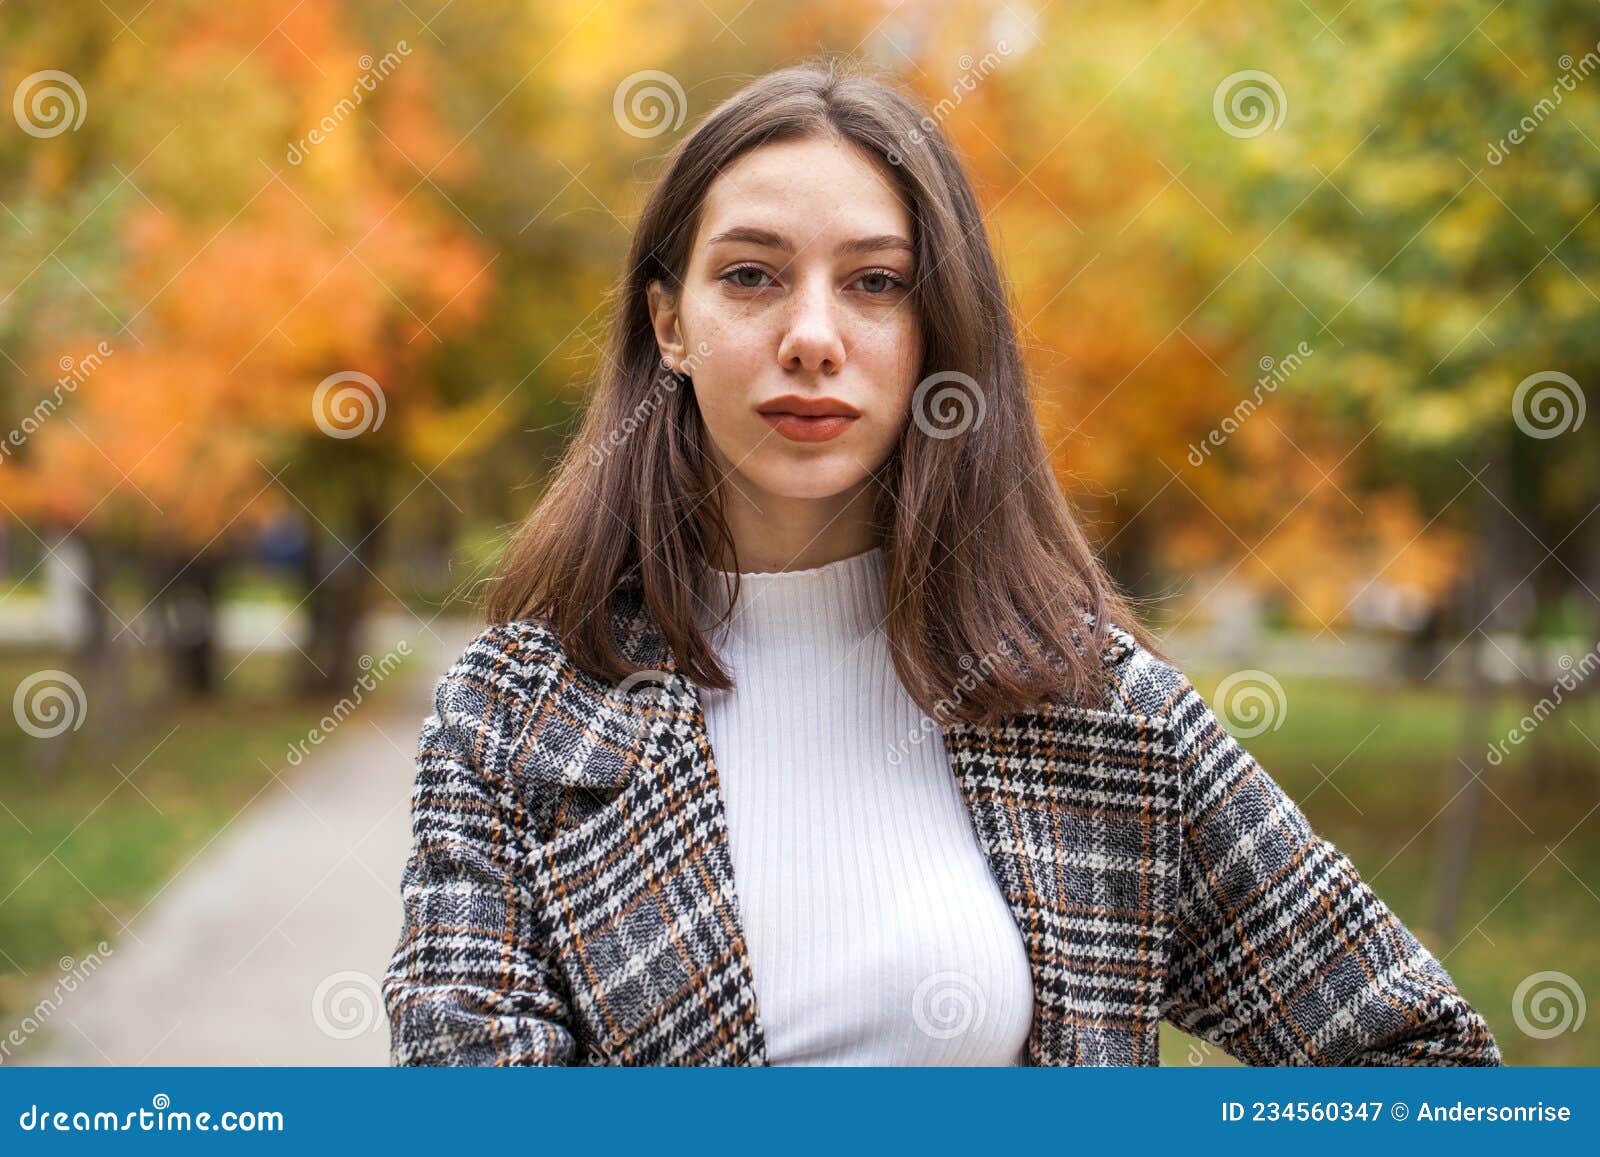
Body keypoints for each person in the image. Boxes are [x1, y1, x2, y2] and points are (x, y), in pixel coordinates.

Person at [380, 60, 1502, 1067]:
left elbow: (1418, 1063)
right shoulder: (513, 717)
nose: (812, 334)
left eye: (876, 283)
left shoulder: (1094, 707)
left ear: (938, 334)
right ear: (669, 323)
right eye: (752, 276)